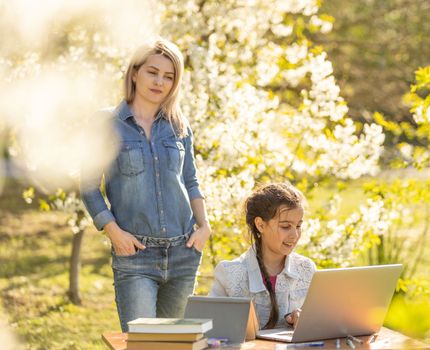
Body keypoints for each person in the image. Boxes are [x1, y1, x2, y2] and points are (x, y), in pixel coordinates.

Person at [80, 38, 211, 332]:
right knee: (145, 342)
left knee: (176, 343)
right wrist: (114, 233)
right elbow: (88, 186)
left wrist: (204, 227)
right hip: (135, 256)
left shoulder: (179, 124)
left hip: (183, 253)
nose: (159, 82)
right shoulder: (106, 123)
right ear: (135, 72)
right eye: (153, 72)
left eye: (169, 76)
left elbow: (190, 180)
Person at [209, 183, 316, 329]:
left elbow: (321, 325)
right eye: (285, 226)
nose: (295, 235)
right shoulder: (229, 273)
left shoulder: (307, 269)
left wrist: (305, 319)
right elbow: (211, 330)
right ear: (260, 225)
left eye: (298, 226)